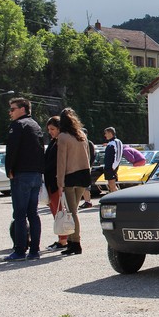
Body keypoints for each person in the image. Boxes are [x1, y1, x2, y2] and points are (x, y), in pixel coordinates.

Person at [4, 97, 45, 261]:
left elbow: (12, 150)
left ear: (23, 109)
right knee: (33, 214)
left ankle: (20, 250)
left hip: (22, 174)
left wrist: (9, 170)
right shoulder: (35, 125)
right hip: (35, 174)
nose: (10, 112)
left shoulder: (18, 125)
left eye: (13, 109)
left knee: (20, 215)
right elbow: (41, 150)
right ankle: (34, 250)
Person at [56, 108, 91, 256]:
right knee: (73, 210)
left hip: (70, 176)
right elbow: (89, 155)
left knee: (72, 212)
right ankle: (71, 241)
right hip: (83, 174)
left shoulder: (63, 137)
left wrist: (60, 182)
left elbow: (61, 162)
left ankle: (76, 242)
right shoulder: (81, 135)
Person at [44, 116, 68, 250]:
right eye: (49, 129)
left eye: (52, 129)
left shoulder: (60, 142)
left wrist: (61, 184)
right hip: (50, 182)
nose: (50, 132)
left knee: (59, 212)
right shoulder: (54, 141)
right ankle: (62, 238)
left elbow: (59, 164)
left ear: (60, 128)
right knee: (55, 211)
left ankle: (63, 240)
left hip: (56, 182)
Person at [79, 128, 96, 209]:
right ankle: (86, 201)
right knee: (82, 185)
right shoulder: (81, 143)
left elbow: (92, 156)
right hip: (81, 167)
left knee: (86, 186)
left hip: (87, 167)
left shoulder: (89, 143)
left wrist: (89, 166)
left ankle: (88, 201)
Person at [103, 127, 123, 193]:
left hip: (112, 167)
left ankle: (117, 200)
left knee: (112, 185)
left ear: (110, 133)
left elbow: (118, 155)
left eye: (106, 133)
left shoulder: (117, 141)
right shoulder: (110, 143)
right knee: (110, 185)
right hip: (108, 167)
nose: (105, 135)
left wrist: (113, 166)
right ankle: (113, 200)